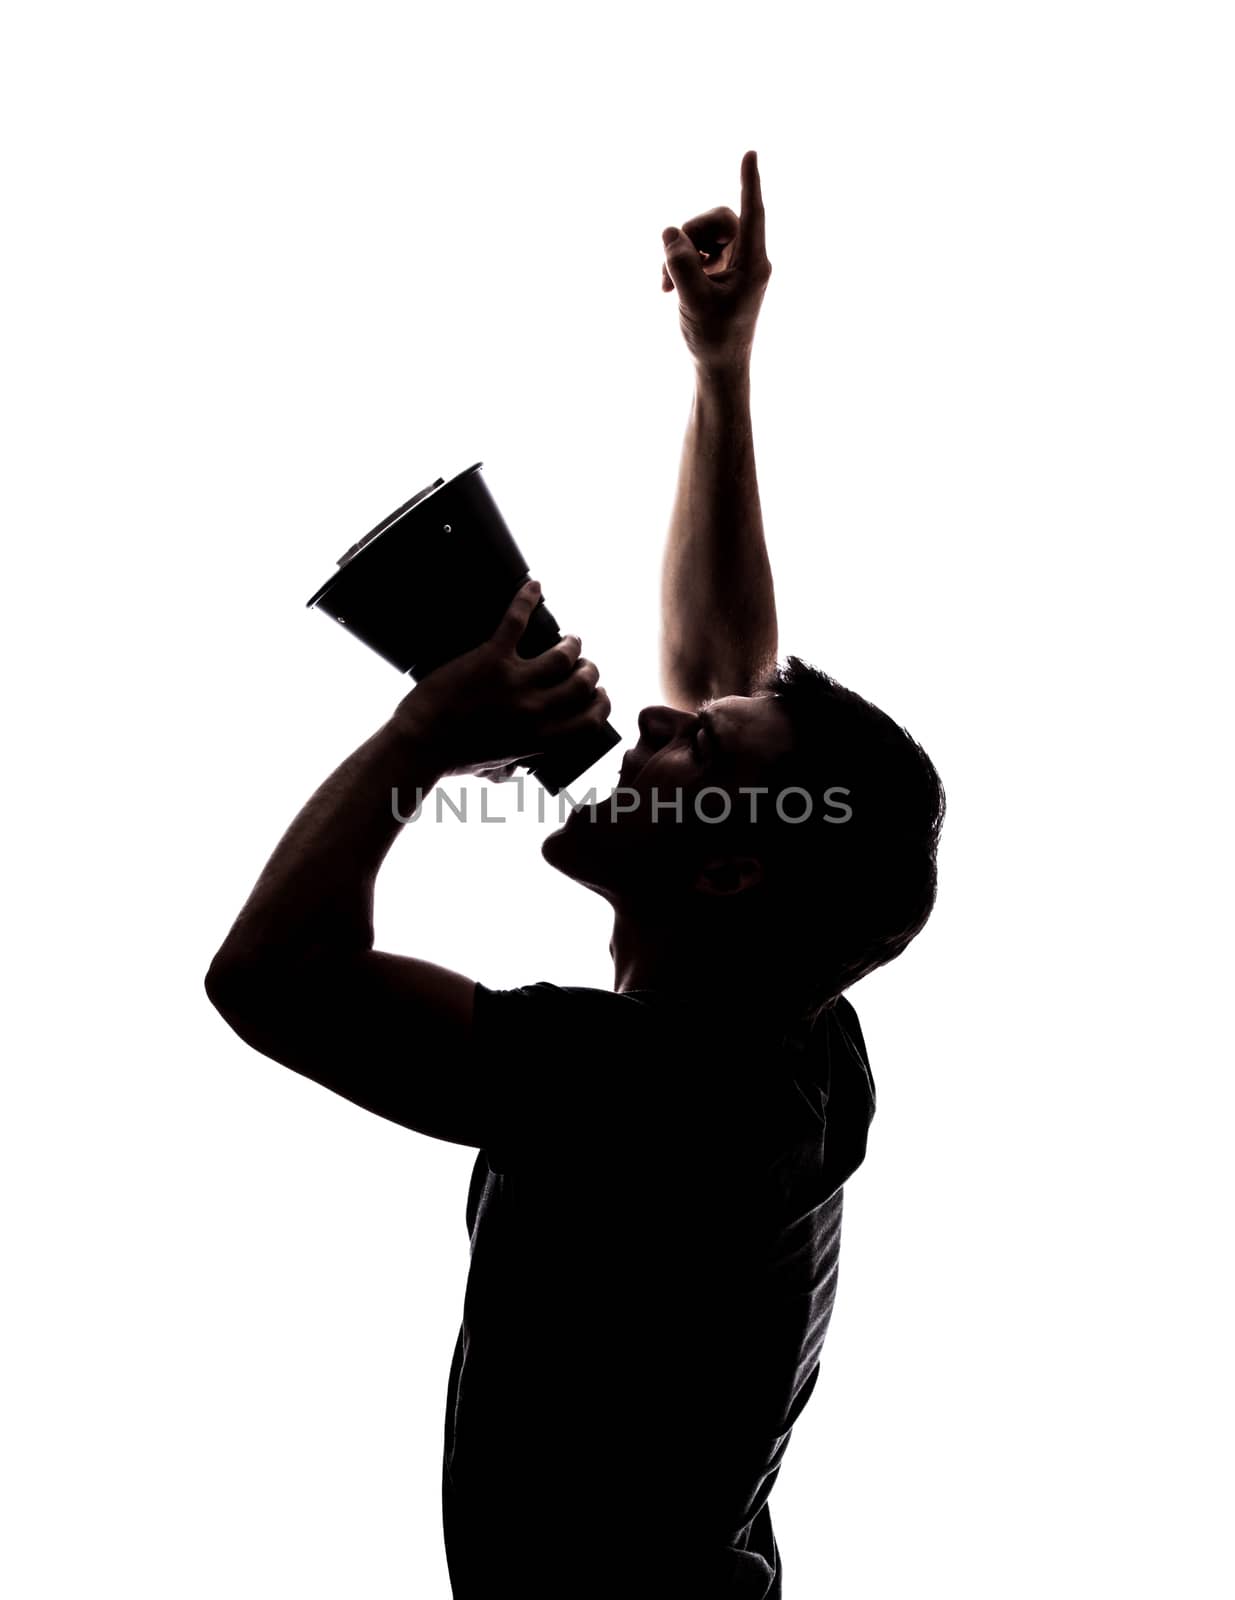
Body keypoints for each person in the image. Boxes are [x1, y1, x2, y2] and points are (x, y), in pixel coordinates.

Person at [205, 151, 945, 1598]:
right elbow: (730, 668)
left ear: (729, 875)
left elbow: (272, 984)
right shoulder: (791, 1037)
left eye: (688, 749)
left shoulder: (654, 1089)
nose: (655, 717)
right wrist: (720, 375)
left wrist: (424, 735)